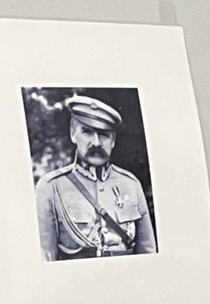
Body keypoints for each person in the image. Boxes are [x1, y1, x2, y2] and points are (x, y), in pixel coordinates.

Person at [35, 94, 157, 261]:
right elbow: (46, 259)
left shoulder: (131, 184)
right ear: (73, 134)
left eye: (104, 134)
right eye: (87, 132)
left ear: (113, 141)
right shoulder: (51, 187)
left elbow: (148, 256)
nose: (97, 143)